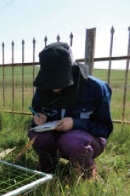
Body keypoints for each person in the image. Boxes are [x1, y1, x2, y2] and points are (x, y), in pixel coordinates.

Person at [28, 42, 113, 179]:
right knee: (36, 135)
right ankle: (48, 165)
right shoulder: (43, 89)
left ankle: (86, 169)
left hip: (85, 141)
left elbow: (104, 129)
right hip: (55, 137)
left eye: (58, 80)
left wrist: (75, 123)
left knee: (72, 141)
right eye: (50, 81)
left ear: (72, 70)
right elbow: (37, 110)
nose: (53, 87)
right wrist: (38, 117)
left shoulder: (96, 88)